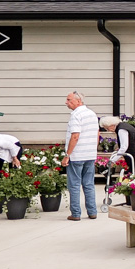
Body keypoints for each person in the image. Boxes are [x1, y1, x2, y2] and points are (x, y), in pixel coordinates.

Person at [61, 90, 100, 221]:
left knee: (74, 185)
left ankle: (76, 213)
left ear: (78, 101)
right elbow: (97, 133)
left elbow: (75, 136)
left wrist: (67, 155)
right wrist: (93, 149)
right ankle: (92, 212)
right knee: (89, 184)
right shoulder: (92, 113)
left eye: (69, 100)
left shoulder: (76, 115)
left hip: (77, 155)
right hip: (90, 154)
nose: (66, 102)